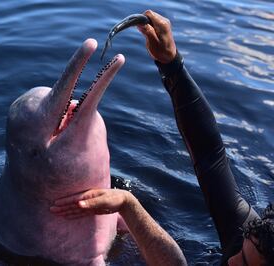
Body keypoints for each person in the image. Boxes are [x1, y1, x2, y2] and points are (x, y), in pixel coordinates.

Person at [50, 10, 274, 266]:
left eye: (244, 264)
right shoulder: (255, 239)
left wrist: (129, 207)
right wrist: (171, 64)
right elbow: (209, 154)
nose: (232, 261)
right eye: (240, 249)